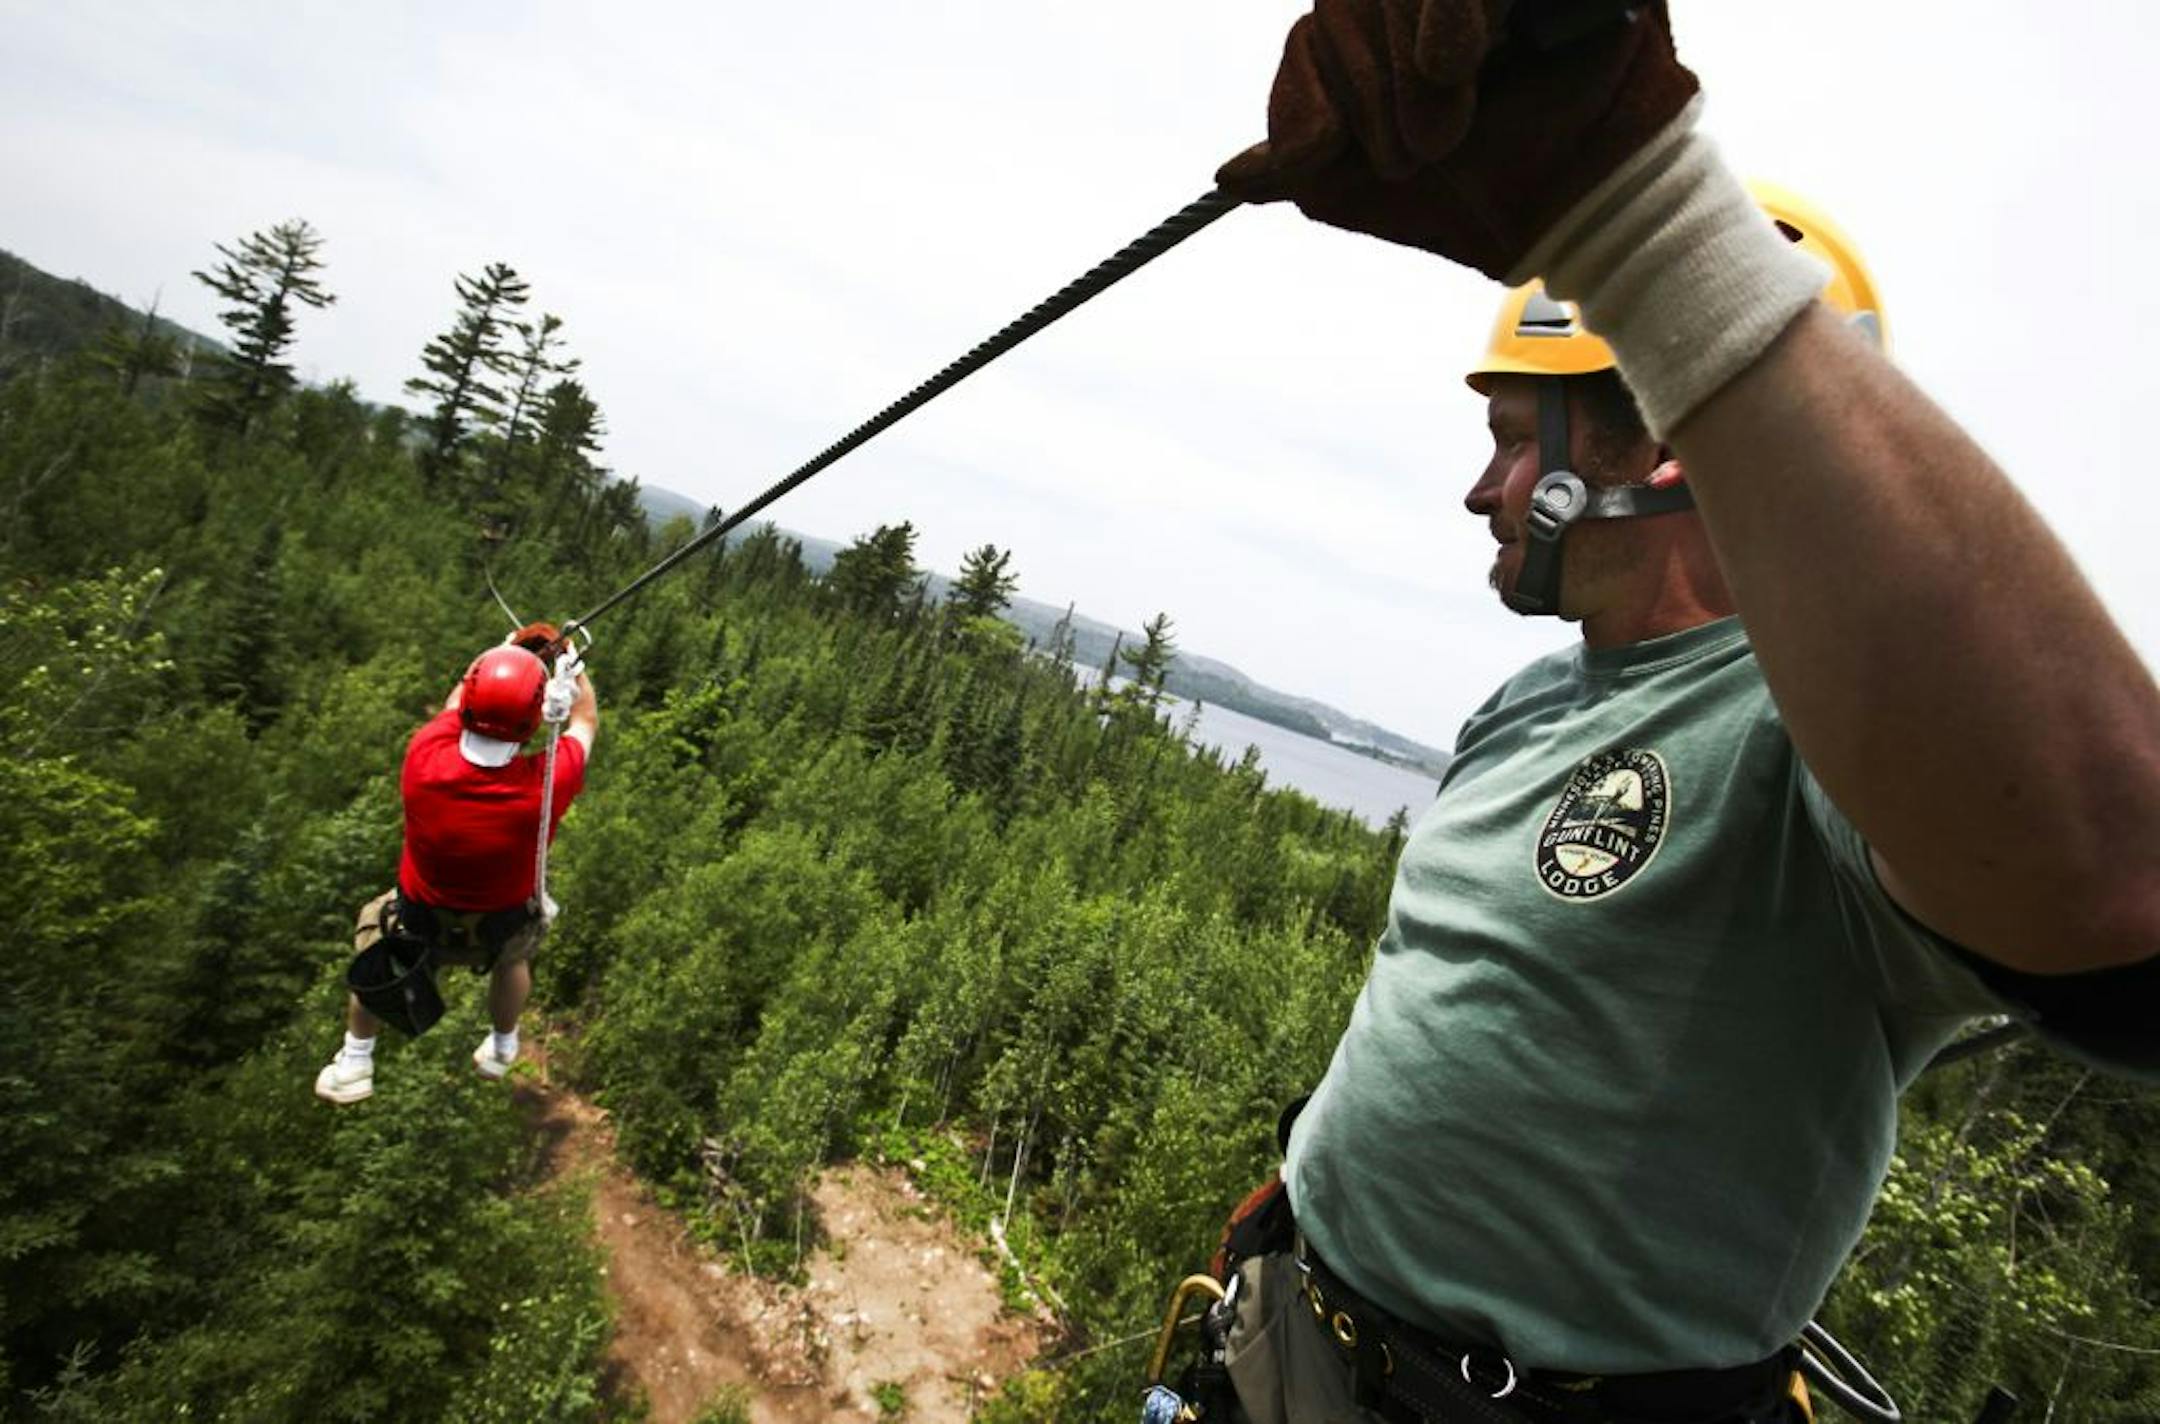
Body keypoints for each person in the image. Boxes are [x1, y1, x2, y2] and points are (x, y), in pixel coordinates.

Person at [1201, 3, 2160, 1421]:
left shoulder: (1816, 740)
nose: (1482, 491)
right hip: (1293, 1335)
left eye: (1515, 441)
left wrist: (1643, 226)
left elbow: (2115, 877)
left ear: (1651, 440)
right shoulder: (1531, 701)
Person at [314, 627, 598, 1105]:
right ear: (532, 720)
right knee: (517, 956)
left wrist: (504, 653)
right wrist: (575, 668)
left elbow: (455, 702)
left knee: (375, 936)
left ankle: (356, 1059)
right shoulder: (545, 785)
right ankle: (503, 1045)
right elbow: (585, 722)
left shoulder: (425, 756)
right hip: (498, 926)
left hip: (418, 919)